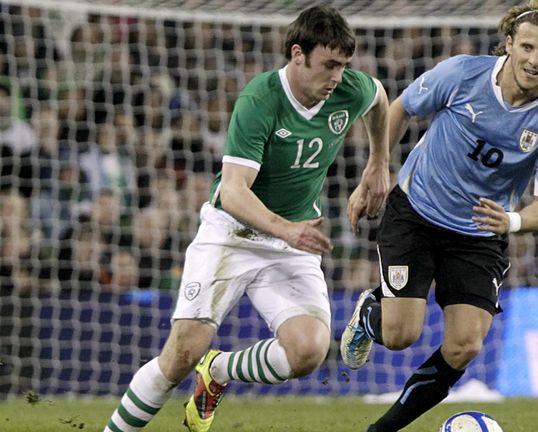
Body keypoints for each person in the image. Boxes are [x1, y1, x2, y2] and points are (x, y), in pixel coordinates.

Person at [103, 6, 390, 432]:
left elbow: (380, 97)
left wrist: (378, 161)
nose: (337, 76)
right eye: (329, 65)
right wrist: (286, 229)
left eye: (344, 66)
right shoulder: (260, 100)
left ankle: (217, 372)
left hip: (290, 242)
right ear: (297, 55)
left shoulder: (349, 88)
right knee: (182, 353)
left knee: (309, 350)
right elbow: (234, 191)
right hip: (232, 234)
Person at [339, 1, 538, 430]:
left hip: (480, 232)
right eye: (526, 47)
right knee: (399, 336)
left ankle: (381, 429)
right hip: (416, 211)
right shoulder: (463, 73)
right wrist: (376, 169)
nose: (534, 59)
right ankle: (371, 312)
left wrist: (513, 221)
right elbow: (401, 108)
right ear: (508, 44)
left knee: (464, 345)